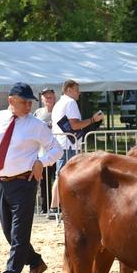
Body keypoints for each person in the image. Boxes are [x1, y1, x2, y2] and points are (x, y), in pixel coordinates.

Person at [0, 82, 62, 273]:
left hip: (25, 183)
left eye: (30, 102)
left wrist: (41, 162)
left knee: (19, 233)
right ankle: (36, 262)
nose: (29, 106)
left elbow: (57, 149)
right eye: (24, 102)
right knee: (8, 232)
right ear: (11, 101)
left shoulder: (36, 125)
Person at [49, 79, 104, 218]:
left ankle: (54, 207)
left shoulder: (59, 103)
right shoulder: (70, 103)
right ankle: (55, 207)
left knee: (60, 175)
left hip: (63, 143)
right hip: (68, 144)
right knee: (63, 175)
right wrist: (93, 120)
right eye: (76, 90)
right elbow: (75, 125)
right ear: (69, 90)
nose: (79, 93)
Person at [33, 88, 57, 213]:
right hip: (43, 152)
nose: (48, 99)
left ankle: (57, 206)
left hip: (57, 150)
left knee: (57, 179)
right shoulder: (38, 112)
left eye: (50, 97)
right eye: (45, 97)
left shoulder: (58, 111)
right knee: (44, 181)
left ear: (54, 98)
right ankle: (45, 207)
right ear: (42, 99)